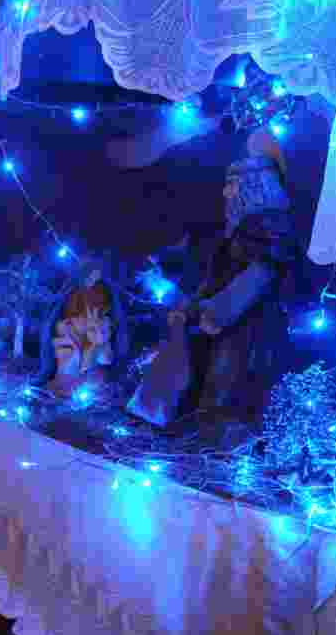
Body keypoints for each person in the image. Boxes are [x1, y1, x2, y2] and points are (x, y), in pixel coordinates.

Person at [127, 127, 298, 438]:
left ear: (254, 188)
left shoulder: (270, 230)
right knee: (194, 364)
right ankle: (179, 421)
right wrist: (194, 305)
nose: (225, 193)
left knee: (228, 380)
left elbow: (258, 275)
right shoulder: (236, 230)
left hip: (248, 325)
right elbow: (216, 275)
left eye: (232, 186)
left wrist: (217, 310)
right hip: (220, 317)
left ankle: (217, 435)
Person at [37, 255, 128, 396]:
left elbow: (105, 348)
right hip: (71, 351)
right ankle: (67, 385)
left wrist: (97, 337)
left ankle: (79, 386)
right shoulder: (69, 312)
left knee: (93, 369)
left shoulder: (103, 316)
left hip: (91, 364)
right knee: (69, 359)